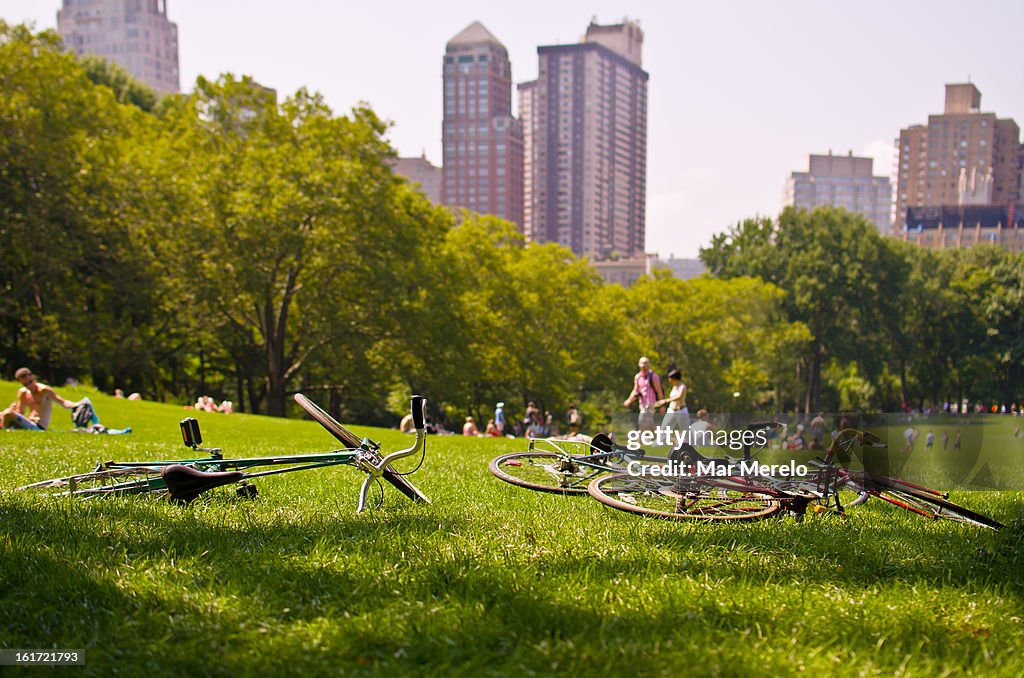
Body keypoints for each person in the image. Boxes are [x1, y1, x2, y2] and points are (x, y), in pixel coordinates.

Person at [1, 368, 82, 431]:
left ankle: (4, 429)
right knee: (4, 413)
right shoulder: (23, 393)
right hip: (28, 422)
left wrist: (78, 405)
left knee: (7, 413)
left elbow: (63, 402)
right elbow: (21, 412)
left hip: (39, 427)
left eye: (30, 382)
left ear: (33, 377)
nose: (29, 386)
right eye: (25, 384)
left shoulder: (44, 390)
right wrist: (12, 410)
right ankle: (5, 429)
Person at [623, 356, 663, 431]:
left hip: (652, 404)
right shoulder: (638, 377)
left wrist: (662, 405)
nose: (644, 365)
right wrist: (629, 400)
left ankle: (646, 438)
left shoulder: (653, 376)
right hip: (642, 405)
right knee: (650, 424)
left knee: (642, 420)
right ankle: (663, 437)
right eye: (642, 363)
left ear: (649, 365)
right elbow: (635, 391)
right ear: (639, 364)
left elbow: (659, 391)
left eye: (646, 363)